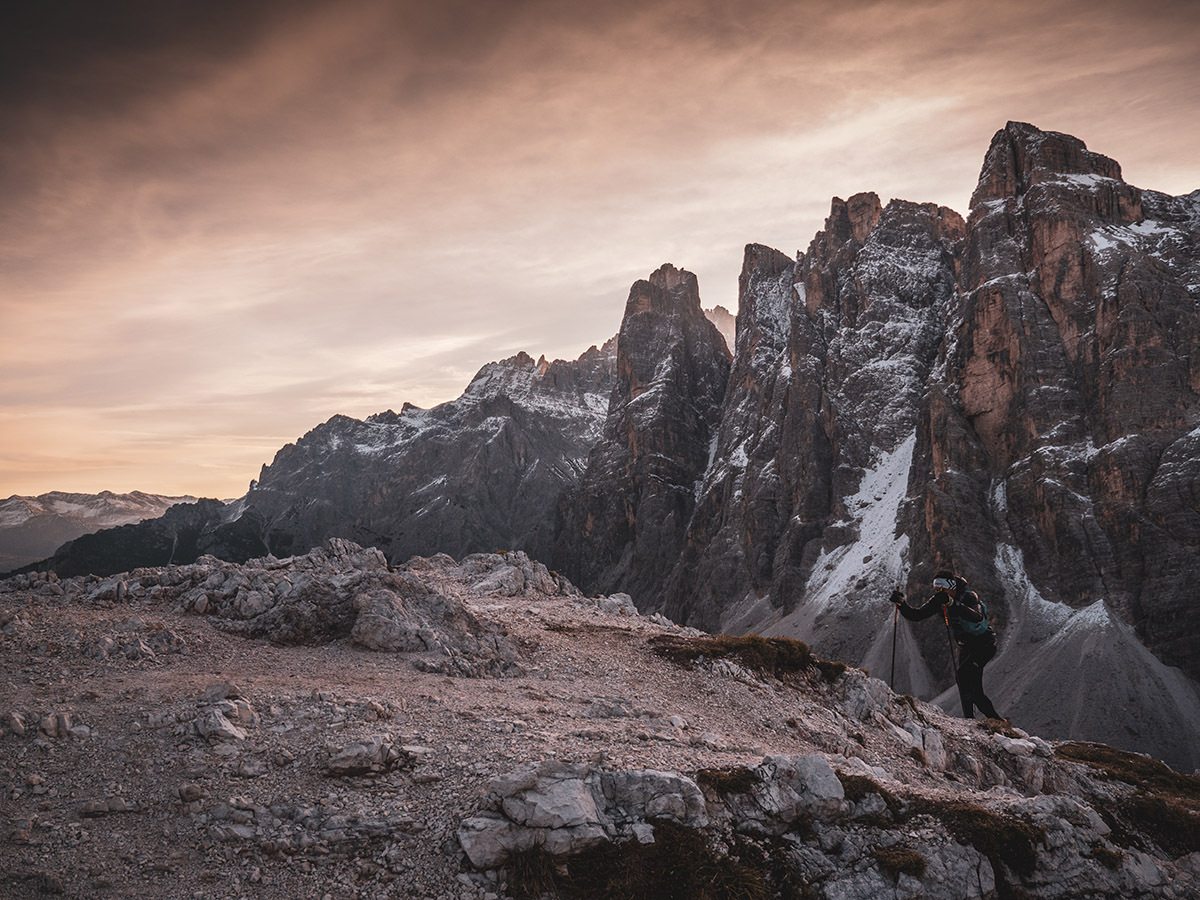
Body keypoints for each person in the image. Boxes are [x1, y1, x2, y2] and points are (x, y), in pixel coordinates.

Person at [890, 570, 1003, 721]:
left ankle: (983, 720)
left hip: (984, 645)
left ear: (951, 586)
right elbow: (916, 615)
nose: (938, 591)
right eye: (936, 588)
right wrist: (902, 604)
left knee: (964, 677)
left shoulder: (968, 596)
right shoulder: (939, 600)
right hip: (967, 646)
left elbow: (977, 617)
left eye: (942, 587)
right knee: (967, 683)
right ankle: (981, 720)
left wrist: (952, 603)